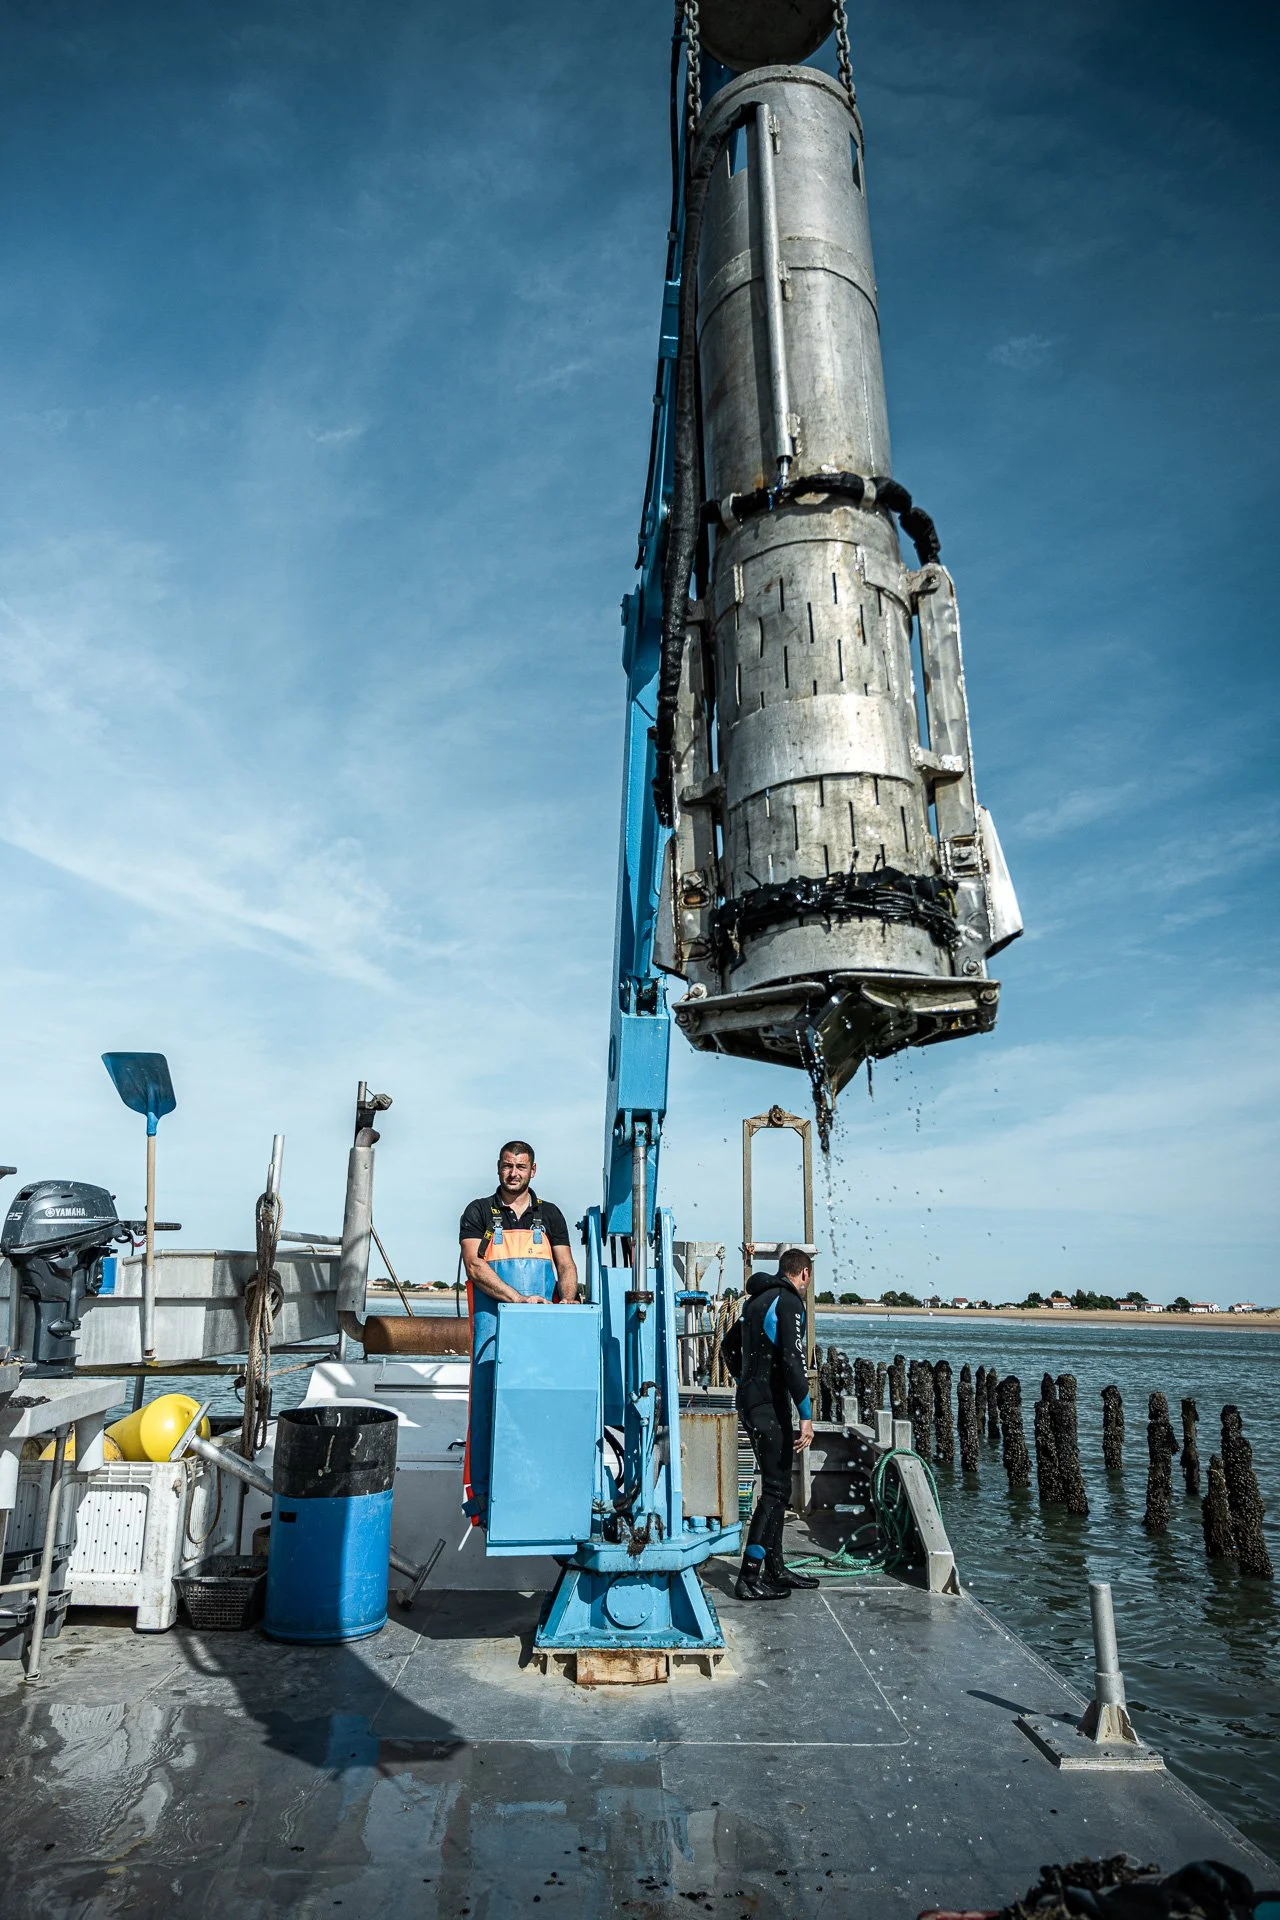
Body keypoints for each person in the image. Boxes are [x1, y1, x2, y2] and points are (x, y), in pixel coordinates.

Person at [458, 1140, 579, 1524]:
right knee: (488, 1416)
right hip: (492, 1338)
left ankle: (543, 1499)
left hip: (540, 1337)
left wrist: (566, 1303)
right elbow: (475, 1268)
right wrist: (518, 1300)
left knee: (541, 1412)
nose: (514, 1173)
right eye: (508, 1166)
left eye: (521, 1167)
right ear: (498, 1168)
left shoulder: (552, 1215)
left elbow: (567, 1267)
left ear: (533, 1170)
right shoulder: (478, 1212)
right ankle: (486, 1506)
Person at [722, 1247, 818, 1600]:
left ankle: (775, 1568)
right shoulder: (789, 1301)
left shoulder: (754, 1301)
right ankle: (749, 1575)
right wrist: (806, 1414)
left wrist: (746, 1382)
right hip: (769, 1405)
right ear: (804, 1274)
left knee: (778, 1487)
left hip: (751, 1400)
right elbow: (794, 1362)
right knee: (776, 1490)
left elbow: (728, 1346)